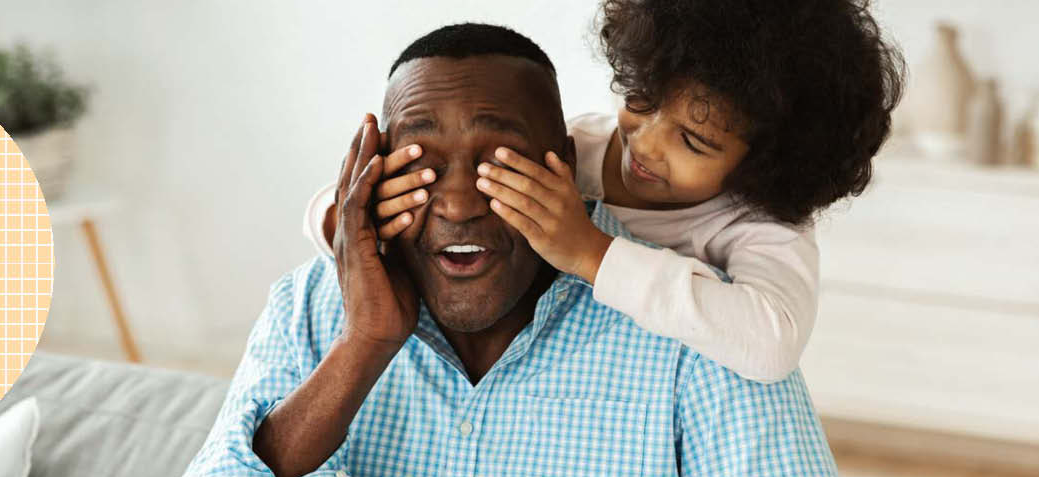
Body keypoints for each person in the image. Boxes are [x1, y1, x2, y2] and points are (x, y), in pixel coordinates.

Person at [150, 23, 856, 477]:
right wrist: (362, 331)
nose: (456, 202)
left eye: (501, 163)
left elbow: (769, 339)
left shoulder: (709, 327)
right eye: (420, 162)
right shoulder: (309, 308)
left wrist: (590, 254)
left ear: (560, 168)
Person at [302, 0, 905, 383]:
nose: (645, 144)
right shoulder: (576, 150)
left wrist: (590, 252)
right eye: (641, 102)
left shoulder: (761, 224)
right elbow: (323, 215)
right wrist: (356, 217)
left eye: (693, 142)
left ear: (765, 163)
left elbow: (772, 345)